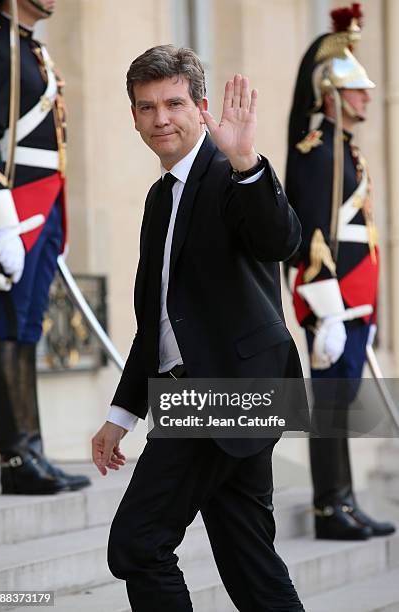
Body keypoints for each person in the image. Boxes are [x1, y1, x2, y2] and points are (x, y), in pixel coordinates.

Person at [92, 44, 305, 611]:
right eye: (146, 107)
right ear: (134, 115)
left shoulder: (230, 175)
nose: (160, 118)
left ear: (202, 106)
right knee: (250, 563)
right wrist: (121, 415)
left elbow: (279, 239)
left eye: (174, 103)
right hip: (218, 391)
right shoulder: (160, 198)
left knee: (138, 544)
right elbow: (158, 319)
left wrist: (246, 164)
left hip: (224, 393)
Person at [285, 3, 395, 540]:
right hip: (332, 300)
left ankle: (344, 500)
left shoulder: (346, 151)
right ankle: (329, 506)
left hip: (352, 297)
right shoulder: (318, 151)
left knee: (341, 404)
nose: (367, 96)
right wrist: (325, 311)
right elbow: (313, 237)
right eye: (356, 90)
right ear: (331, 94)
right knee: (330, 403)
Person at [0, 0, 90, 494]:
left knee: (27, 328)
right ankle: (15, 458)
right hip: (12, 209)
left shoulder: (30, 48)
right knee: (7, 325)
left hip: (43, 207)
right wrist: (1, 221)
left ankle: (33, 449)